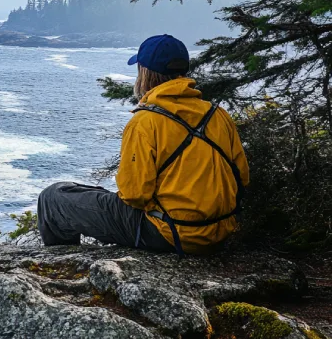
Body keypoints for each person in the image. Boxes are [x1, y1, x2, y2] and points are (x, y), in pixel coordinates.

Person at [37, 34, 249, 256]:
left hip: (170, 233)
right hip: (219, 232)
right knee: (86, 194)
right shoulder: (218, 114)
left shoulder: (145, 121)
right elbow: (242, 177)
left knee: (53, 198)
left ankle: (61, 265)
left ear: (144, 73)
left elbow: (134, 195)